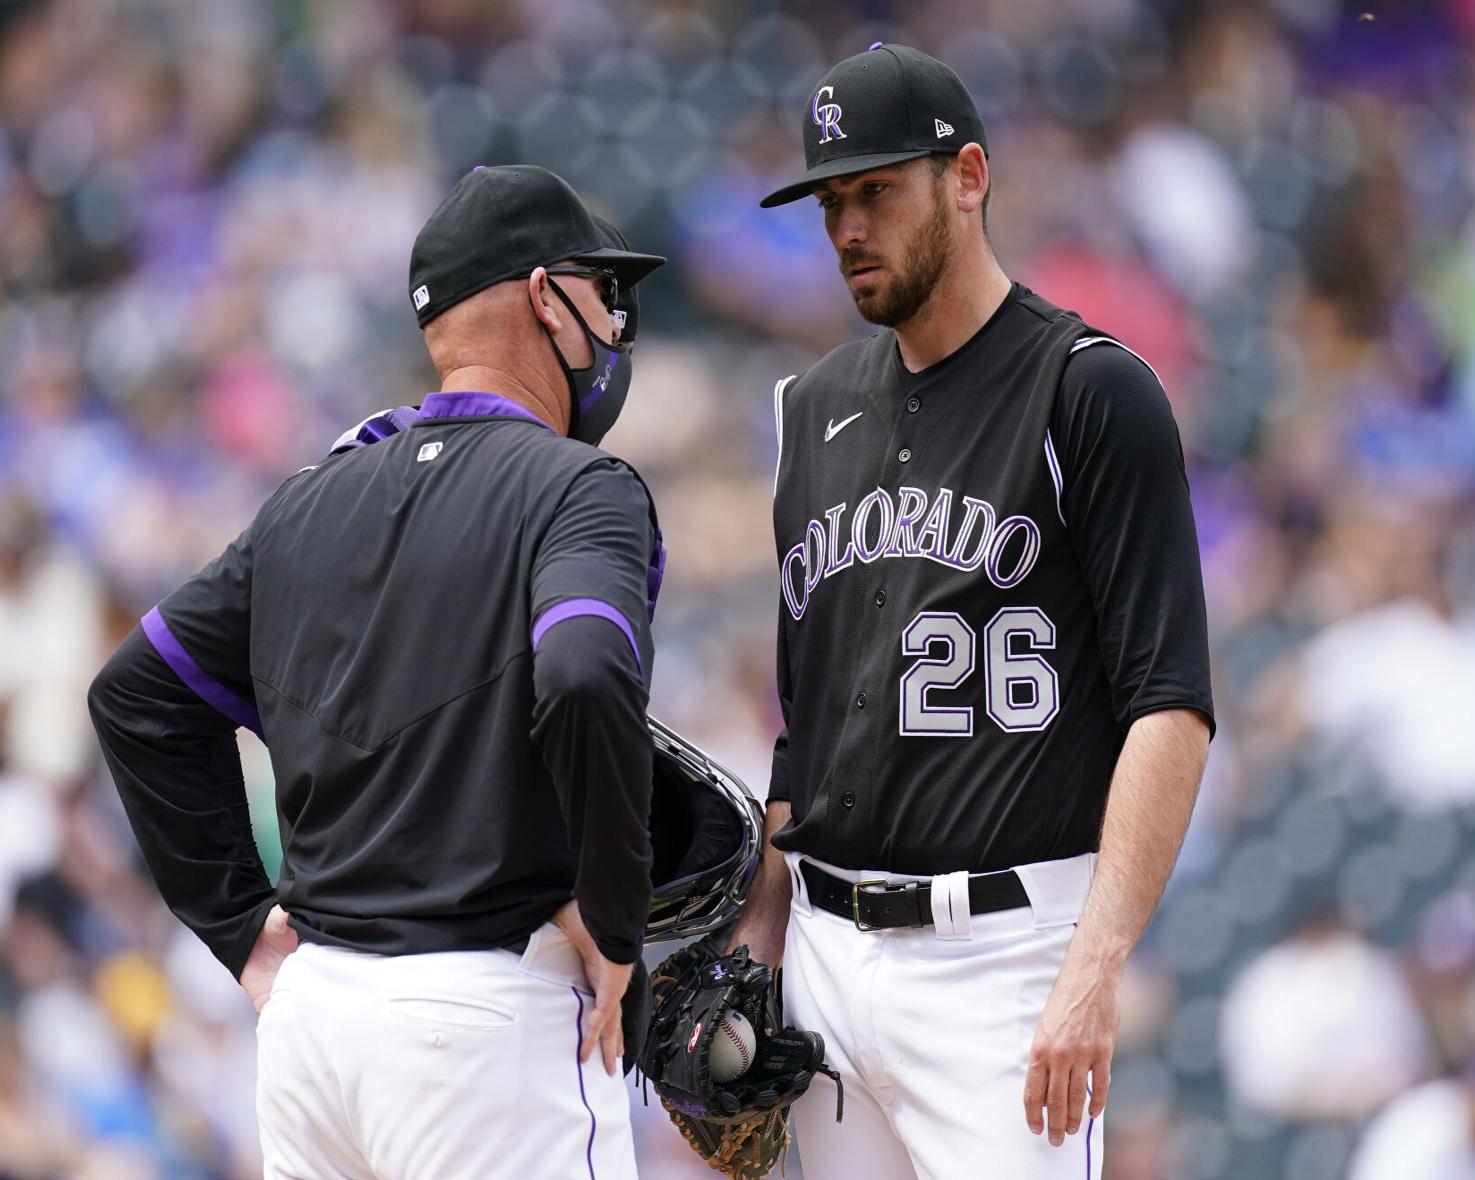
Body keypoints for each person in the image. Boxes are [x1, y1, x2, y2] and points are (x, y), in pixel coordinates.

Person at [86, 163, 667, 1180]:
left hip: (314, 1034)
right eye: (596, 290)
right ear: (542, 294)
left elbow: (135, 693)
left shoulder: (308, 499)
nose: (614, 324)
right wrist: (617, 920)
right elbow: (580, 671)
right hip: (481, 1020)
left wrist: (238, 923)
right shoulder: (580, 486)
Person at [730, 44, 1216, 1179]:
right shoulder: (809, 411)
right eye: (831, 200)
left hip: (1006, 960)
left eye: (877, 190)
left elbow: (1171, 708)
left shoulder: (1089, 388)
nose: (848, 226)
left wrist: (1093, 971)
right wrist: (754, 946)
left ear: (967, 176)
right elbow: (802, 732)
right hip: (826, 955)